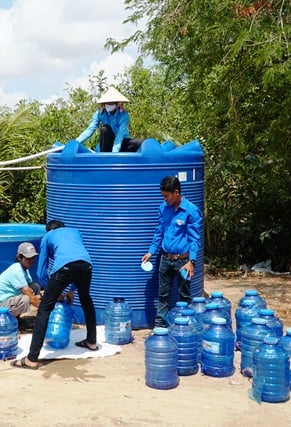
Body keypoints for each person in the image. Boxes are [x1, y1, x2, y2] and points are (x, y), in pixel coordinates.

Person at [12, 220, 97, 370]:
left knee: (44, 309)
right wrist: (69, 290)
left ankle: (31, 359)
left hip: (64, 268)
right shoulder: (75, 231)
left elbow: (41, 270)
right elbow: (76, 259)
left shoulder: (48, 236)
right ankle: (91, 341)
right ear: (63, 228)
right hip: (87, 265)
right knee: (86, 300)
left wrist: (51, 290)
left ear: (49, 230)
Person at [142, 175, 203, 328]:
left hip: (183, 261)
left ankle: (186, 327)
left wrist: (192, 262)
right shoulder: (164, 208)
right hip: (165, 258)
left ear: (176, 192)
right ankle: (160, 327)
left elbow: (194, 239)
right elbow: (159, 232)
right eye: (163, 196)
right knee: (162, 294)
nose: (165, 199)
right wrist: (151, 251)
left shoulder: (191, 211)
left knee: (184, 295)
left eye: (166, 196)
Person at [75, 86, 142, 153]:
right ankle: (104, 156)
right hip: (107, 144)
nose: (109, 105)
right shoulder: (100, 113)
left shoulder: (123, 115)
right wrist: (76, 143)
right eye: (107, 103)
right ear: (104, 104)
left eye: (111, 103)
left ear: (117, 104)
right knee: (105, 129)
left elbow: (120, 135)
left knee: (138, 142)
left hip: (121, 143)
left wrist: (114, 153)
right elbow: (90, 129)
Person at [0, 242, 42, 319]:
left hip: (11, 300)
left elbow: (31, 287)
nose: (31, 260)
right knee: (26, 299)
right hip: (1, 306)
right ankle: (8, 319)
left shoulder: (25, 269)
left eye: (32, 258)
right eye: (28, 258)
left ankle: (16, 317)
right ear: (19, 257)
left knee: (35, 287)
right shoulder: (16, 270)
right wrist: (45, 309)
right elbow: (30, 297)